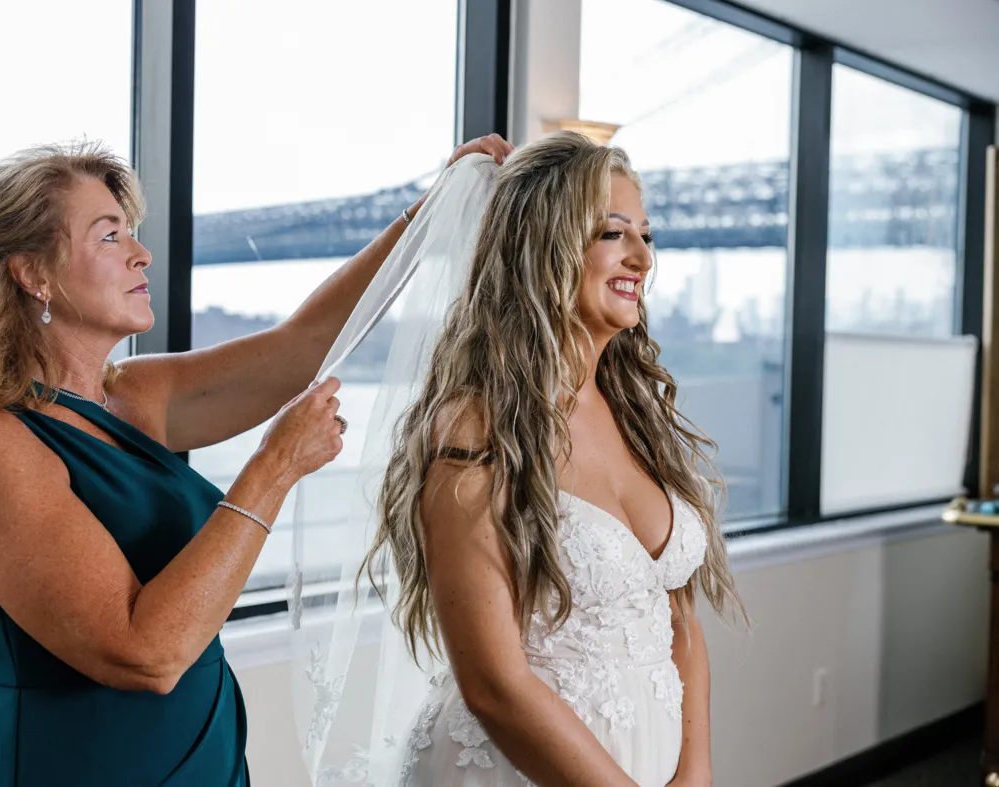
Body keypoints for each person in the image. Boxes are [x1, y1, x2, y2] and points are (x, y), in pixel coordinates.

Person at [0, 133, 511, 787]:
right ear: (33, 273)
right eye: (110, 236)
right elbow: (148, 653)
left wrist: (427, 215)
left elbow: (305, 343)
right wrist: (275, 465)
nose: (142, 253)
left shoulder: (133, 396)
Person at [292, 132, 745, 787]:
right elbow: (494, 684)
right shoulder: (475, 429)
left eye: (646, 235)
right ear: (545, 244)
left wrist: (694, 773)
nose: (642, 257)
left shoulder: (637, 412)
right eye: (613, 233)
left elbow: (675, 615)